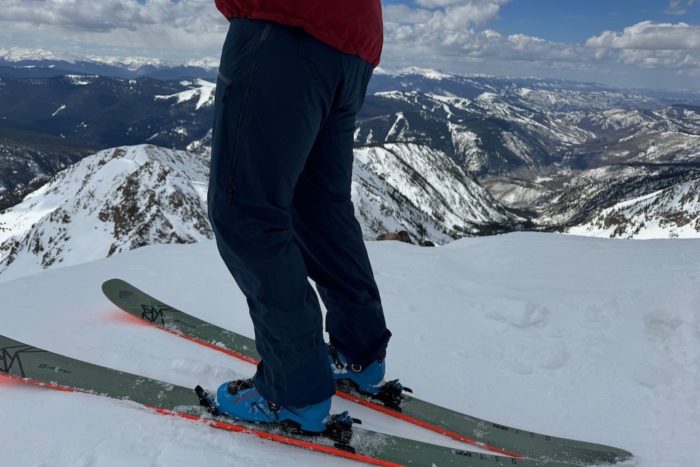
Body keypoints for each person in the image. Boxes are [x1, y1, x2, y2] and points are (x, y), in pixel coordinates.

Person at [207, 0, 393, 432]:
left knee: (245, 210)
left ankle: (295, 390)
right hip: (352, 40)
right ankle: (359, 352)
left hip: (284, 24)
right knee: (318, 207)